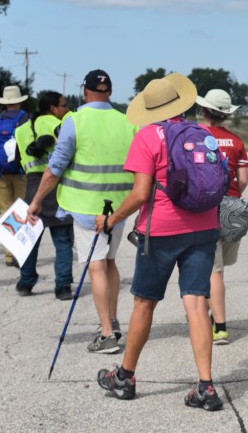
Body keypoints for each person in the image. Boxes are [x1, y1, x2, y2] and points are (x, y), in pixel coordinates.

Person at [94, 73, 224, 409]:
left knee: (144, 303)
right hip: (204, 226)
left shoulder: (148, 137)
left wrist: (111, 220)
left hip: (161, 232)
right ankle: (206, 387)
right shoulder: (203, 133)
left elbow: (140, 194)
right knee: (196, 303)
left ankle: (124, 377)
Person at [28, 70, 135, 354]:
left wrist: (37, 200)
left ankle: (107, 334)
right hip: (119, 207)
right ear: (109, 92)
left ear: (85, 92)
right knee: (109, 262)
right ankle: (112, 320)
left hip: (86, 207)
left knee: (96, 266)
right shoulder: (127, 121)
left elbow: (55, 167)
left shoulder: (74, 121)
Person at [194, 89, 248, 346]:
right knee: (219, 269)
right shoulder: (236, 141)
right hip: (231, 207)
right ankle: (207, 311)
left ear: (203, 110)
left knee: (213, 272)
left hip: (204, 209)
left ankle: (221, 326)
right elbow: (243, 180)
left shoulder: (195, 136)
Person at [15, 91, 74, 299]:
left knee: (30, 239)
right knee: (62, 240)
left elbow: (17, 159)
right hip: (56, 185)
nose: (66, 109)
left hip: (32, 186)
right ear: (53, 108)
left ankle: (26, 282)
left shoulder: (21, 130)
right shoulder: (60, 124)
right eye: (64, 105)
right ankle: (63, 286)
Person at [0, 85, 30, 267]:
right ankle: (21, 251)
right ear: (19, 101)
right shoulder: (25, 118)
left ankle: (9, 254)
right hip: (21, 172)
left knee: (6, 211)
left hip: (1, 172)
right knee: (22, 211)